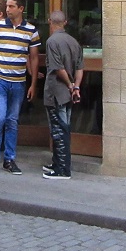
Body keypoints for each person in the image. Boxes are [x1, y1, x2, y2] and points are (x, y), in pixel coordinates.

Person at [0, 0, 40, 176]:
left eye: (11, 7)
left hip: (18, 82)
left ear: (21, 9)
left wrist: (33, 84)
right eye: (7, 6)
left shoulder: (31, 31)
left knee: (12, 121)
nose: (7, 10)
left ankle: (9, 159)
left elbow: (33, 58)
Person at [42, 10, 83, 181]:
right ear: (65, 22)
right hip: (68, 93)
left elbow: (58, 68)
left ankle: (62, 169)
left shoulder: (52, 41)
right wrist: (76, 87)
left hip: (56, 92)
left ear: (50, 21)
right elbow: (80, 68)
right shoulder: (74, 42)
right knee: (64, 126)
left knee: (58, 130)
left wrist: (69, 84)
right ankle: (58, 163)